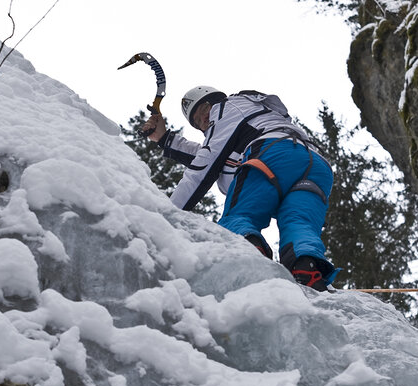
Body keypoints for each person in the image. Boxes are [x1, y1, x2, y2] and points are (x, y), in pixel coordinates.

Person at [143, 86, 337, 291]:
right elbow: (214, 155)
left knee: (240, 217)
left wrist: (166, 218)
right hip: (315, 166)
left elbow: (204, 164)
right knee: (299, 224)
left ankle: (249, 264)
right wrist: (165, 140)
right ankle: (307, 271)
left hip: (272, 155)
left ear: (212, 102)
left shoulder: (226, 107)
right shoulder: (253, 118)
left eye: (203, 112)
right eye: (199, 123)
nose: (205, 121)